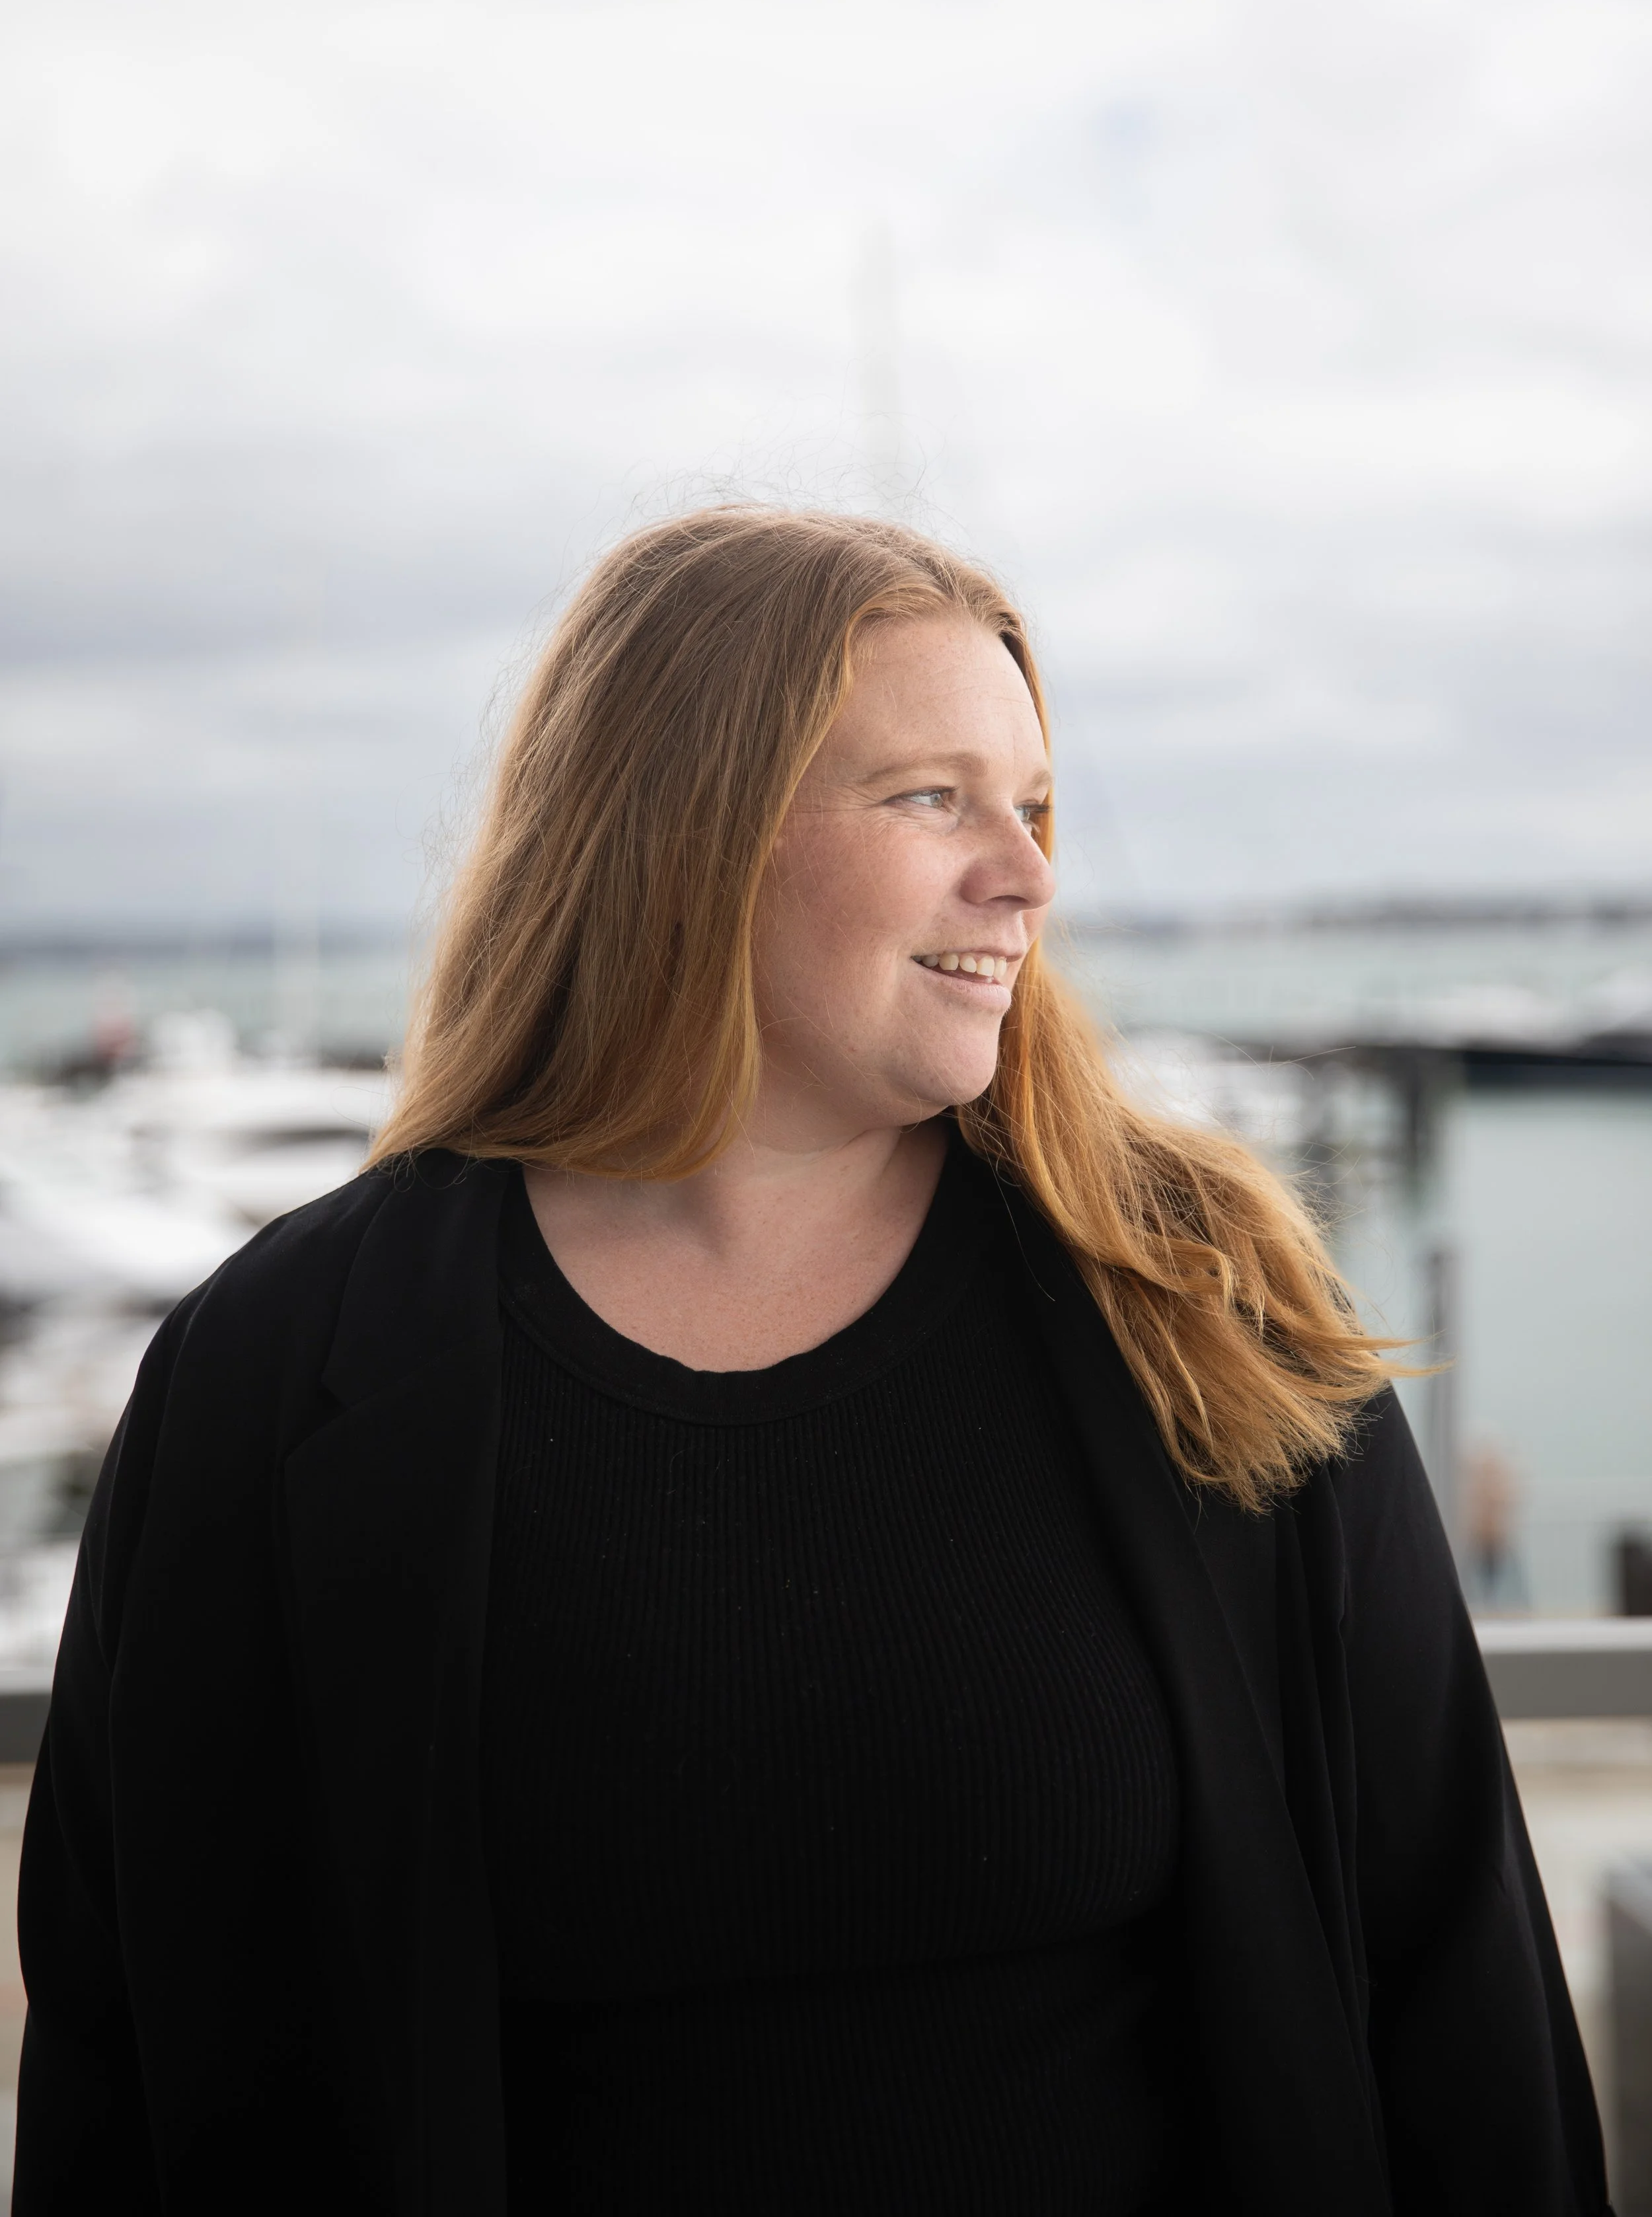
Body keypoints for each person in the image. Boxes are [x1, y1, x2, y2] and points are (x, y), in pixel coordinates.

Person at [14, 508, 1606, 2216]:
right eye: (932, 796)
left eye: (1033, 805)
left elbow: (1459, 2007)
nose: (1027, 874)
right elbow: (127, 2061)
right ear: (690, 832)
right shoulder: (275, 1372)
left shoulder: (1200, 1307)